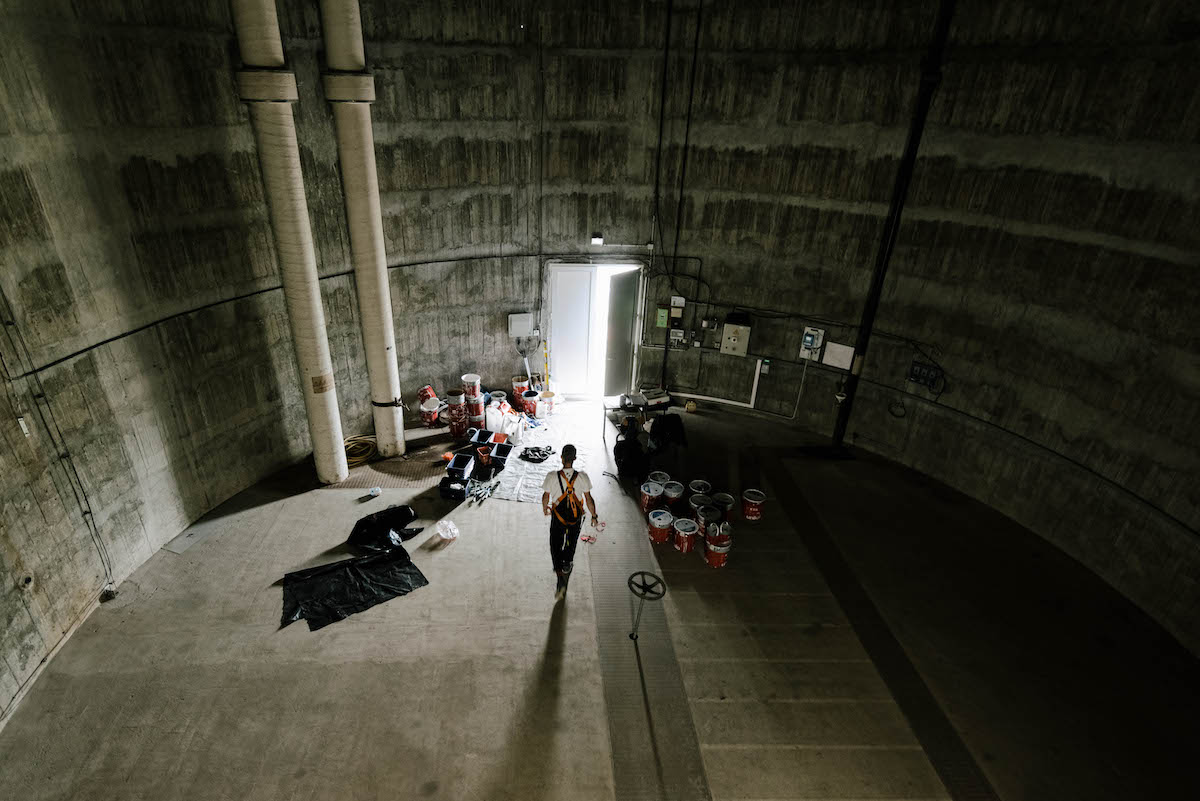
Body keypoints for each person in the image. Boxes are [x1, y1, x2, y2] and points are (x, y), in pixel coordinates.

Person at [541, 444, 598, 601]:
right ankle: (568, 562)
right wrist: (594, 516)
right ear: (574, 458)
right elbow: (589, 499)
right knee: (571, 541)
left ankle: (560, 575)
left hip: (558, 517)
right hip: (575, 517)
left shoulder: (552, 476)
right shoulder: (583, 477)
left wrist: (544, 508)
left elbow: (545, 496)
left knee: (555, 543)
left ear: (561, 457)